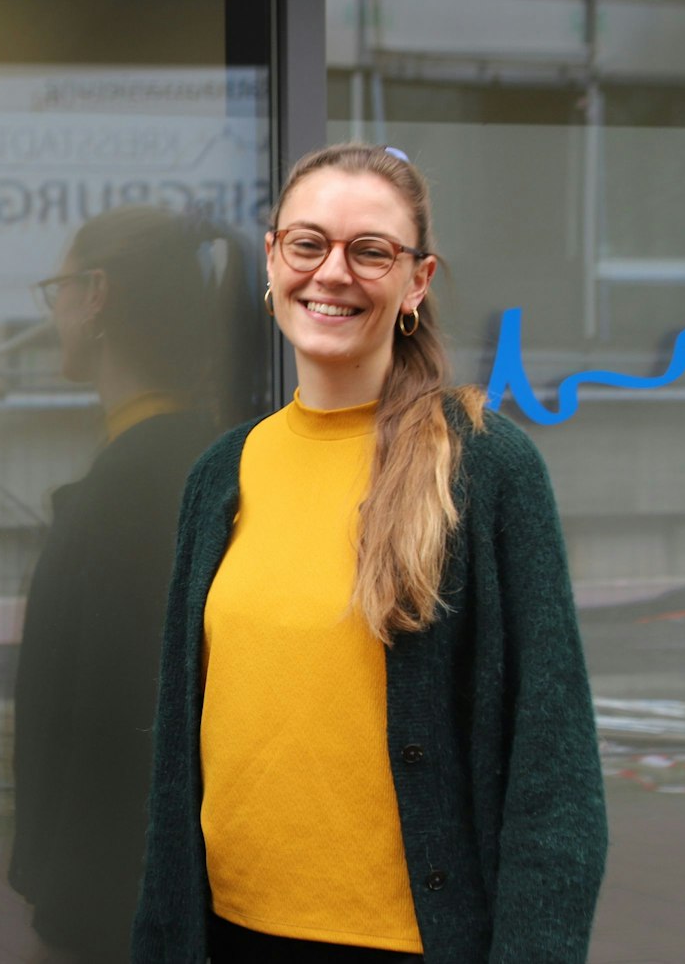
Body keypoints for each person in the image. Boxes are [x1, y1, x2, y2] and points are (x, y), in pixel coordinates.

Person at [133, 144, 606, 963]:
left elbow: (554, 773)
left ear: (416, 281)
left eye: (371, 250)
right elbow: (180, 764)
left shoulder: (484, 467)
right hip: (229, 934)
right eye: (308, 243)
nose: (334, 273)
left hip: (413, 944)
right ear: (273, 260)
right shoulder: (220, 473)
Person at [10, 207, 247, 962]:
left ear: (96, 294)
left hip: (111, 911)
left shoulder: (135, 489)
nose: (52, 312)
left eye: (57, 288)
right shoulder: (190, 459)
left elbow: (111, 731)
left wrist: (71, 918)